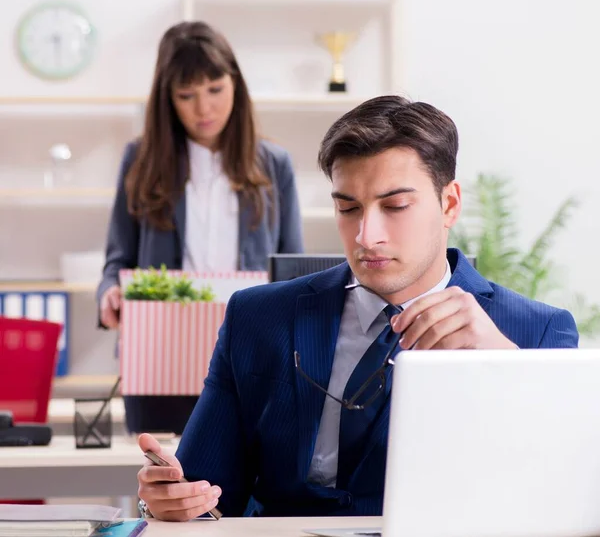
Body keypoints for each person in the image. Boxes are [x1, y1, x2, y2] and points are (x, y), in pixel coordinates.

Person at [135, 95, 579, 520]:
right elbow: (204, 493)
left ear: (449, 204)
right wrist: (171, 500)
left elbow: (567, 493)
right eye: (348, 208)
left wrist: (505, 367)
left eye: (396, 206)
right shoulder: (257, 317)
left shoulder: (534, 334)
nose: (367, 236)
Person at [96, 21, 304, 434]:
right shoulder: (140, 160)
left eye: (215, 89)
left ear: (236, 85)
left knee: (244, 487)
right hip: (159, 354)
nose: (203, 108)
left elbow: (292, 270)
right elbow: (117, 258)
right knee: (163, 484)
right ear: (167, 99)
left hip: (251, 355)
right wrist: (110, 293)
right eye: (186, 95)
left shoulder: (273, 164)